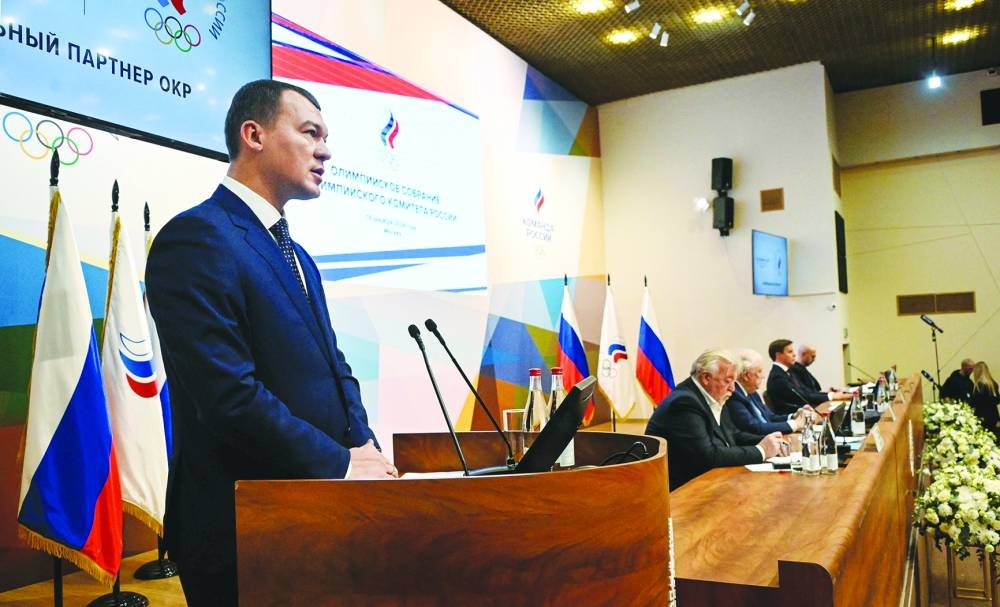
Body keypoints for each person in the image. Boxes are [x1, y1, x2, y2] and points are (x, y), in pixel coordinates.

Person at [146, 80, 397, 607]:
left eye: (326, 136)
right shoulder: (194, 239)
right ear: (253, 134)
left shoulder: (298, 256)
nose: (325, 149)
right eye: (310, 132)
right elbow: (229, 397)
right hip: (241, 524)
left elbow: (335, 367)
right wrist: (342, 463)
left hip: (318, 510)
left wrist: (363, 445)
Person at [645, 348, 784, 490]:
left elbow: (733, 435)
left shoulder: (713, 395)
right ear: (706, 378)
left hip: (707, 481)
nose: (733, 388)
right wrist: (761, 450)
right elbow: (707, 456)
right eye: (728, 381)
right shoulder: (684, 402)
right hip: (680, 491)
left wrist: (768, 441)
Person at [728, 349, 808, 436]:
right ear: (746, 376)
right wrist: (795, 424)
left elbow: (769, 417)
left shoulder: (752, 392)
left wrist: (793, 416)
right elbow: (754, 427)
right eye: (759, 371)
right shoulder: (734, 395)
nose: (763, 376)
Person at [766, 339, 850, 415]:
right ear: (778, 355)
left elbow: (806, 391)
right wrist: (832, 396)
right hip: (794, 416)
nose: (794, 354)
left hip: (804, 412)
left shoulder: (787, 372)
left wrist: (830, 394)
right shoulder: (777, 376)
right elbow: (803, 396)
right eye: (790, 352)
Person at [969, 361, 1000, 441]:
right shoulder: (993, 383)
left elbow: (975, 402)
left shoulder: (979, 385)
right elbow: (997, 400)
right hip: (993, 414)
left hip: (982, 415)